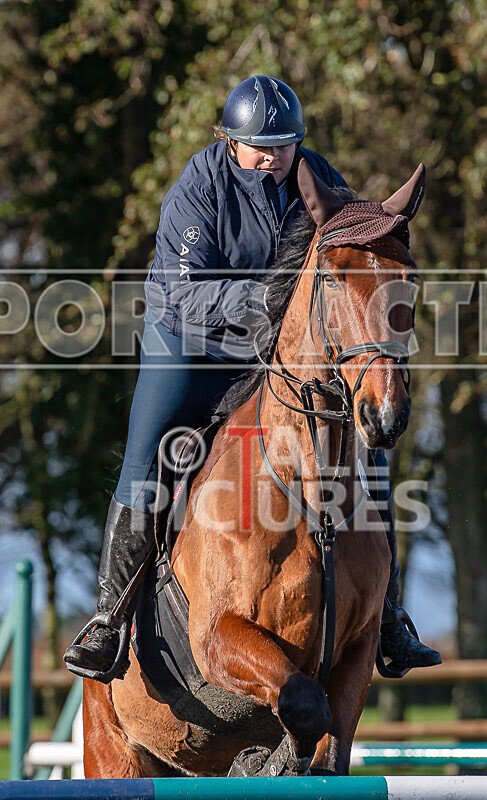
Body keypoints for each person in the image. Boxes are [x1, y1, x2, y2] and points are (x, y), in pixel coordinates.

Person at [64, 75, 440, 682]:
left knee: (365, 454)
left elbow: (347, 252)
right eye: (260, 147)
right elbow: (186, 294)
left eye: (284, 145)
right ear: (230, 141)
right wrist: (267, 300)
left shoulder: (317, 177)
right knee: (148, 452)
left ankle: (389, 615)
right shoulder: (198, 186)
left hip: (276, 349)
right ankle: (110, 619)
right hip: (190, 341)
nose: (273, 157)